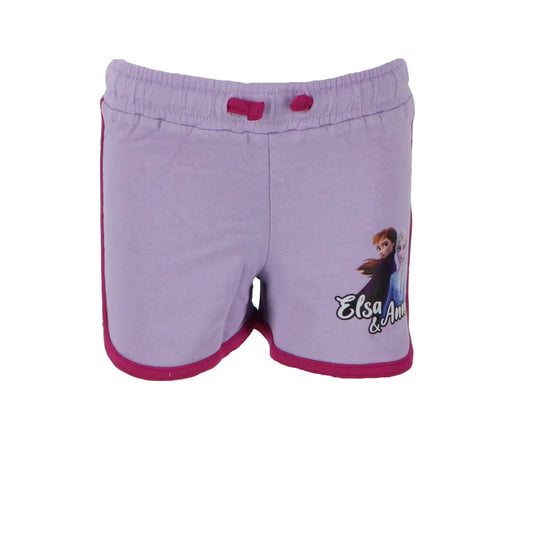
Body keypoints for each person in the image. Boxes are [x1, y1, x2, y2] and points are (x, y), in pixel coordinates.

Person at [355, 228, 397, 315]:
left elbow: (377, 288)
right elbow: (375, 287)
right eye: (378, 248)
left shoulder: (387, 263)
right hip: (376, 305)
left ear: (393, 243)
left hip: (376, 306)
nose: (381, 251)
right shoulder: (385, 264)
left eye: (385, 245)